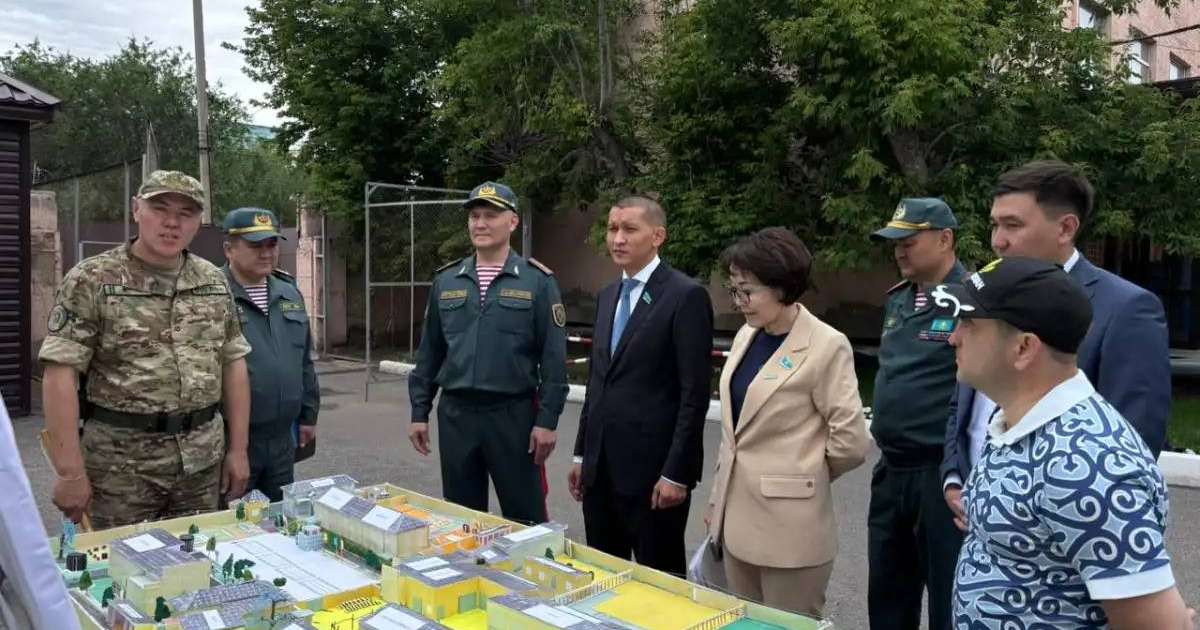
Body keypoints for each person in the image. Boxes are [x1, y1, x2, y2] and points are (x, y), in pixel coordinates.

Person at [937, 256, 1193, 629]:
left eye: (969, 324)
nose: (952, 336)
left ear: (1024, 348)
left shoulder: (1089, 463)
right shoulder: (1013, 421)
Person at [942, 161, 1171, 534]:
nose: (998, 240)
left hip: (1058, 539)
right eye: (995, 225)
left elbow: (1135, 435)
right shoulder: (983, 292)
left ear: (1066, 228)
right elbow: (965, 401)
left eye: (1013, 225)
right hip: (969, 515)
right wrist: (953, 475)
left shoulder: (1125, 309)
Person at [39, 170, 252, 529]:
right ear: (136, 210)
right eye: (160, 208)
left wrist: (238, 451)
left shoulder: (213, 281)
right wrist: (71, 473)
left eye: (186, 213)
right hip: (120, 468)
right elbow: (59, 374)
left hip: (201, 462)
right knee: (120, 573)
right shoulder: (93, 279)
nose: (172, 223)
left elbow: (233, 363)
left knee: (200, 565)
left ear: (199, 222)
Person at [704, 227, 870, 616]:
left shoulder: (827, 344)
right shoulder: (748, 334)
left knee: (788, 625)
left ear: (782, 286)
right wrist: (717, 499)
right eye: (734, 290)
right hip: (735, 521)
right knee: (742, 622)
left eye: (748, 291)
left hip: (791, 532)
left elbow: (851, 442)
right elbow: (736, 432)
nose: (740, 301)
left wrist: (799, 476)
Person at [568, 195, 713, 576]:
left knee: (660, 584)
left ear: (657, 236)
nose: (618, 238)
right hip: (601, 476)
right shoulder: (607, 296)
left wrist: (676, 473)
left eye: (629, 229)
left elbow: (693, 395)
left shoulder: (685, 296)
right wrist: (582, 455)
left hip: (653, 480)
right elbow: (599, 384)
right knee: (603, 578)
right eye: (613, 228)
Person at [408, 181, 567, 524]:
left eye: (490, 216)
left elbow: (554, 360)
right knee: (463, 519)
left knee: (526, 520)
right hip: (457, 416)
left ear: (512, 222)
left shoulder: (537, 281)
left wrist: (547, 421)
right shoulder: (447, 281)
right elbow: (430, 353)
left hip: (513, 416)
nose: (480, 224)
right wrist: (419, 410)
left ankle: (531, 577)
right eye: (475, 216)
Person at [866, 197, 965, 630]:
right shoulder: (899, 300)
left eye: (910, 240)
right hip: (893, 471)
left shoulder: (973, 301)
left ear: (945, 239)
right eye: (895, 242)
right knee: (888, 595)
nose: (900, 250)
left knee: (948, 599)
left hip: (939, 475)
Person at [221, 207, 320, 502]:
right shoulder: (211, 293)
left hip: (281, 440)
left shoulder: (288, 292)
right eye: (255, 245)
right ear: (229, 249)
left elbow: (303, 360)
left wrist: (308, 415)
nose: (266, 253)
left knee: (279, 523)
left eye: (272, 244)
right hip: (233, 441)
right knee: (233, 527)